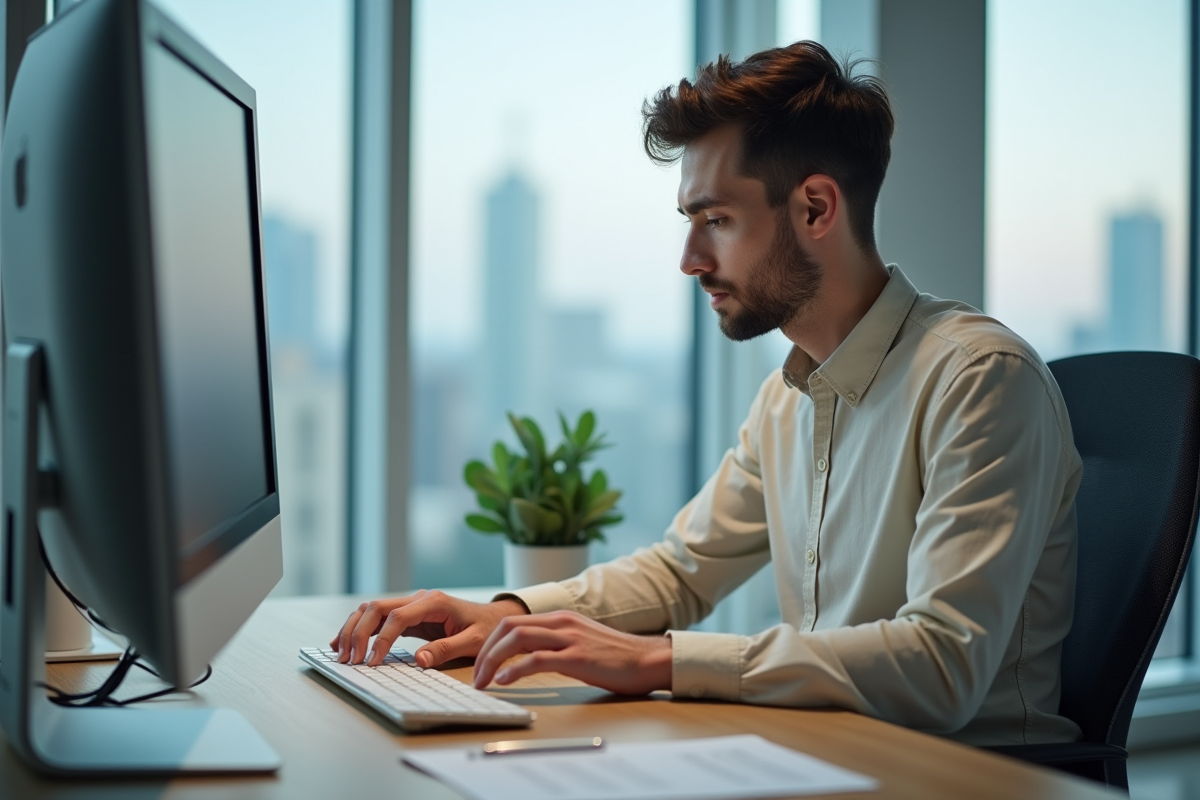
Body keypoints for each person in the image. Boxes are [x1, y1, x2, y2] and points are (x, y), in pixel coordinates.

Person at [332, 41, 1082, 746]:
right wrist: (508, 614)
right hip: (830, 757)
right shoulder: (789, 397)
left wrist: (659, 660)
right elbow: (680, 571)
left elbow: (942, 664)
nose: (691, 261)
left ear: (816, 208)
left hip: (963, 779)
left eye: (716, 221)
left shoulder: (979, 378)